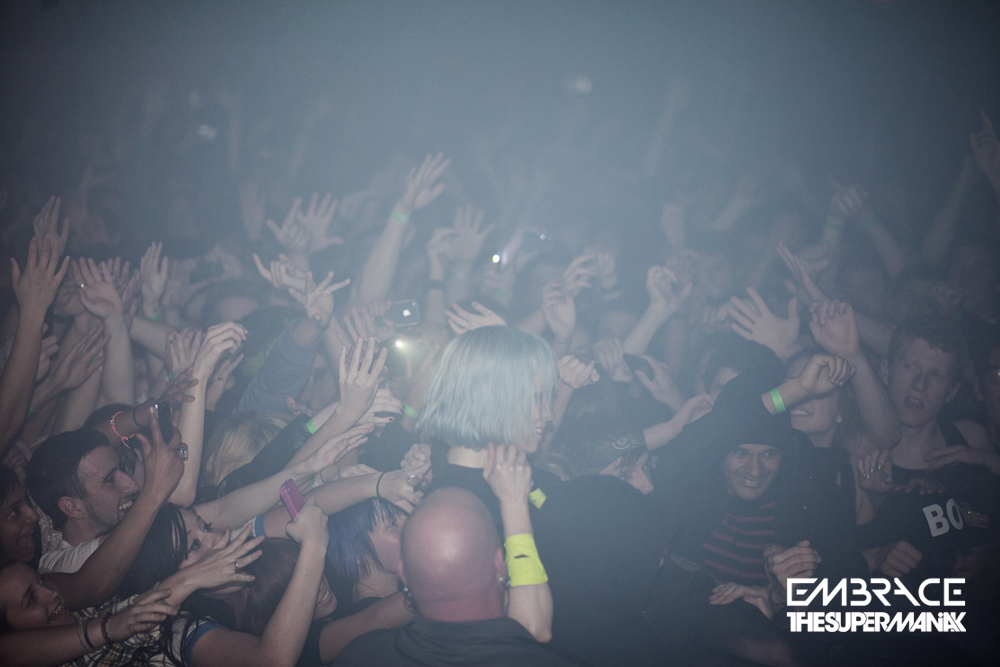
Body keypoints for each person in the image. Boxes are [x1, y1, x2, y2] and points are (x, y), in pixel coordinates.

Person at [335, 487, 579, 667]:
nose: (408, 524)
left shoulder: (362, 654)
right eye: (392, 523)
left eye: (408, 515)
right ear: (355, 554)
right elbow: (531, 628)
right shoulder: (360, 636)